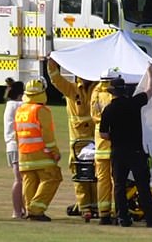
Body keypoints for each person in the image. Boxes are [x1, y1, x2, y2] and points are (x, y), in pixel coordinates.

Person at [99, 64, 152, 228]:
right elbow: (151, 90)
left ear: (112, 93)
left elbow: (103, 134)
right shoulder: (134, 103)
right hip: (136, 151)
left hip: (118, 151)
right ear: (125, 91)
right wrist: (150, 73)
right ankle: (151, 219)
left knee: (119, 185)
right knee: (143, 185)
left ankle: (123, 218)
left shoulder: (108, 110)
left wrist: (115, 137)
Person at [47, 58, 98, 221]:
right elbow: (56, 79)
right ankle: (84, 208)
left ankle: (97, 205)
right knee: (81, 175)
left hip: (97, 140)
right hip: (79, 143)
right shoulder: (72, 89)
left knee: (97, 175)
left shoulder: (98, 89)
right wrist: (52, 64)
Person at [15, 77, 62, 222]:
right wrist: (54, 151)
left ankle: (30, 209)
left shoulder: (20, 110)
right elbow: (47, 134)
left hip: (24, 154)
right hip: (41, 153)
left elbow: (17, 133)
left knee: (30, 182)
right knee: (53, 177)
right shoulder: (41, 110)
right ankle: (36, 210)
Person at [90, 67, 121, 225]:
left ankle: (104, 214)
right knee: (117, 180)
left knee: (102, 180)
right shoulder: (113, 95)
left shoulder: (95, 93)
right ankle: (118, 211)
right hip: (114, 143)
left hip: (99, 143)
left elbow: (94, 117)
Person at [3, 81, 25, 219]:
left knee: (20, 179)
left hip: (12, 146)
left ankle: (22, 209)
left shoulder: (10, 105)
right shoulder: (16, 105)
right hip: (16, 145)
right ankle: (17, 211)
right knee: (19, 179)